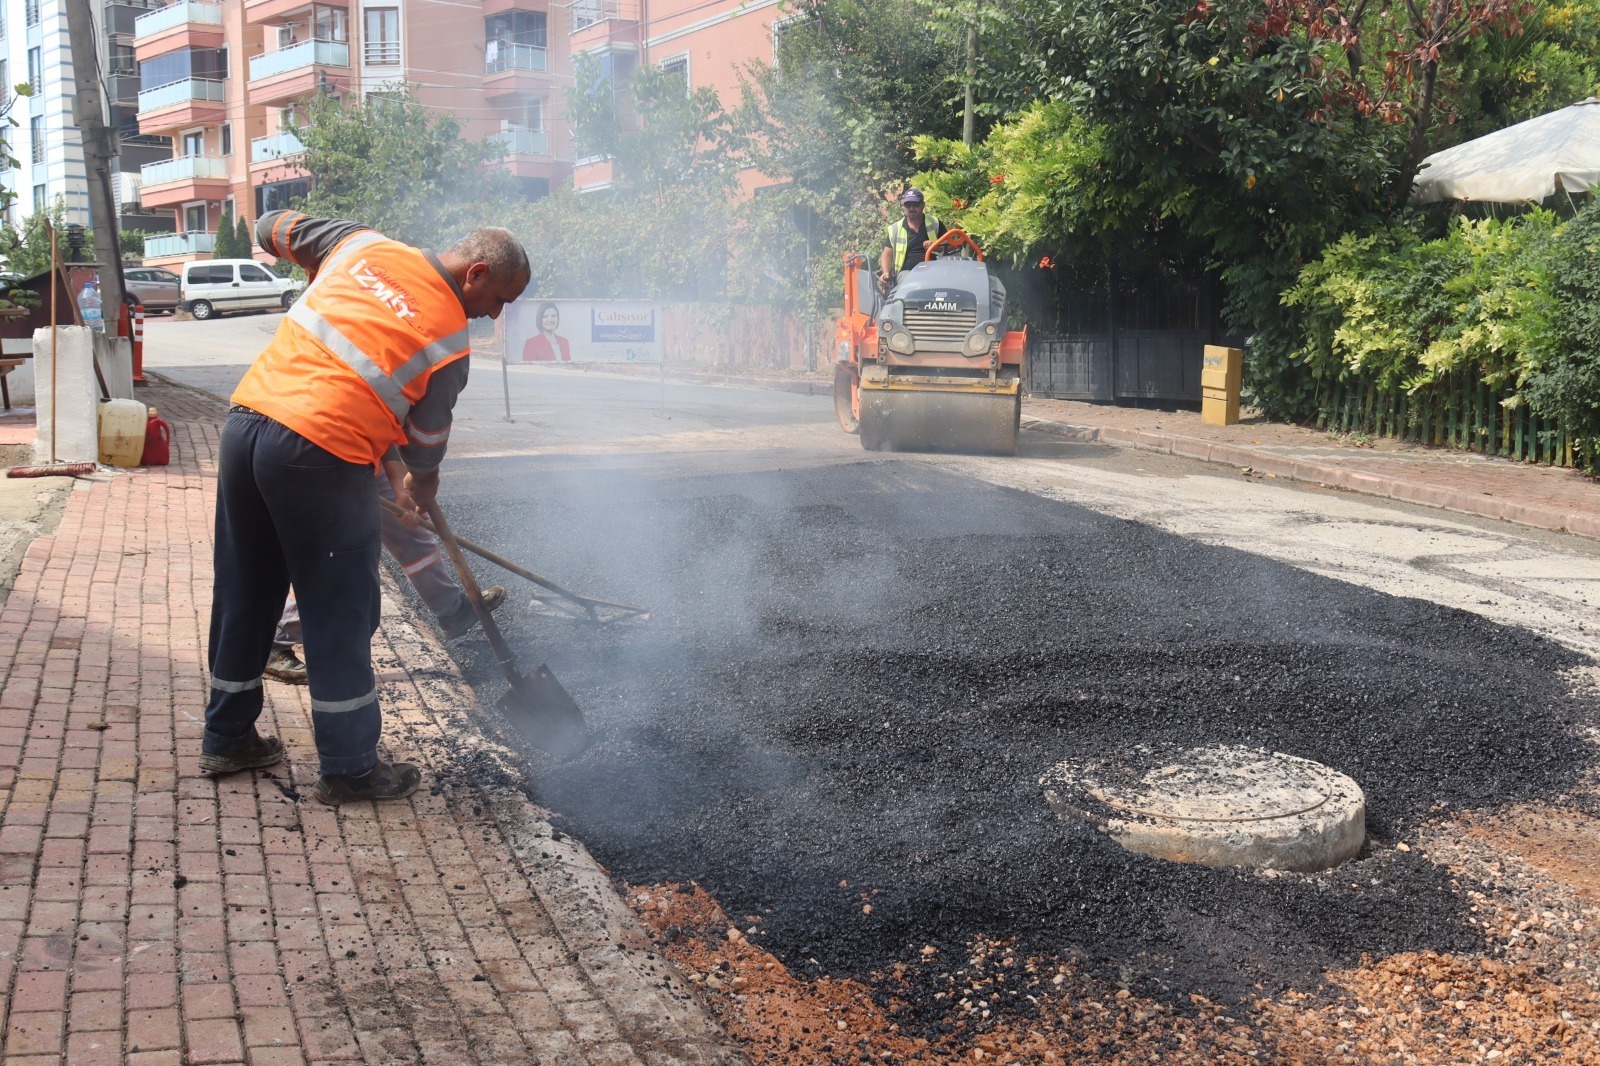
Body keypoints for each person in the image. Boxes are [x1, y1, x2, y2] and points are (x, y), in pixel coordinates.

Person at [198, 208, 530, 805]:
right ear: (476, 274)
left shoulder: (357, 244)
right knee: (340, 610)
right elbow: (426, 452)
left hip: (247, 430)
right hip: (319, 455)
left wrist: (321, 275)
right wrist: (418, 493)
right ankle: (350, 770)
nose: (495, 314)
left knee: (247, 590)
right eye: (501, 298)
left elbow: (270, 224)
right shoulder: (451, 344)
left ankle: (227, 736)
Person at [262, 461, 509, 685]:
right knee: (336, 553)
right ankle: (277, 640)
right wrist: (421, 475)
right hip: (335, 456)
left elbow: (391, 429)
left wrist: (401, 486)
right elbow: (423, 437)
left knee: (409, 532)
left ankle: (452, 610)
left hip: (369, 456)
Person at [879, 188, 946, 287]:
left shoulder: (934, 223)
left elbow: (950, 246)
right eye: (908, 205)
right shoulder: (895, 229)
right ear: (904, 207)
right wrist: (885, 273)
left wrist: (936, 246)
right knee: (910, 286)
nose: (911, 208)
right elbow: (887, 254)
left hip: (933, 270)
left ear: (923, 205)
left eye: (915, 205)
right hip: (906, 273)